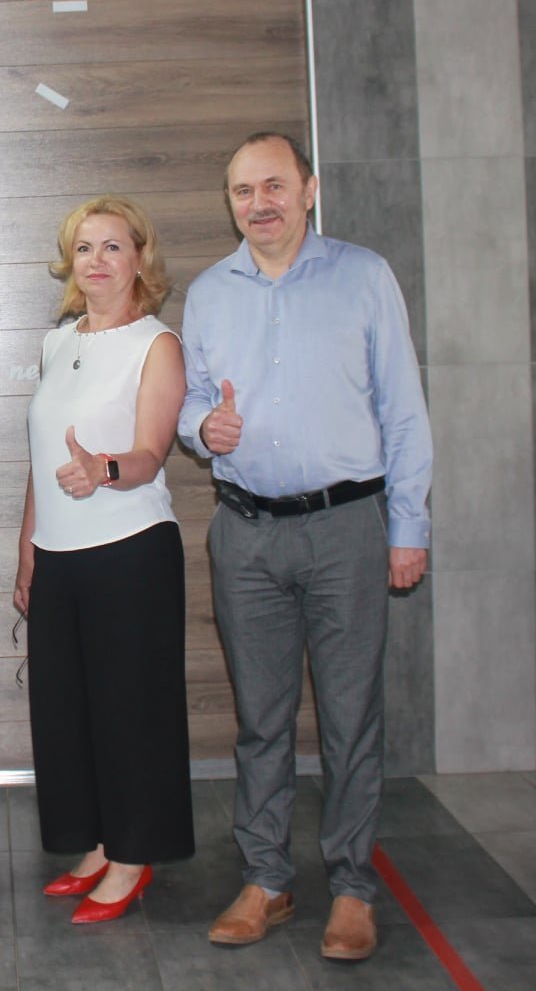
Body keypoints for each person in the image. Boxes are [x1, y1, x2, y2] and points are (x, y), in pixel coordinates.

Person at [178, 132, 431, 963]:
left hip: (345, 527)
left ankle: (353, 888)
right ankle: (267, 879)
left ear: (309, 190)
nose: (260, 204)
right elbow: (192, 406)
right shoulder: (210, 294)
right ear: (230, 203)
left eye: (275, 186)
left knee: (352, 718)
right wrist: (204, 429)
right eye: (244, 191)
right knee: (262, 720)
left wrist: (408, 526)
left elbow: (403, 411)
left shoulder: (364, 276)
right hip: (245, 533)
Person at [15, 195, 194, 925]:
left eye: (112, 247)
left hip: (131, 552)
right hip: (58, 557)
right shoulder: (57, 343)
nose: (96, 261)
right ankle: (94, 845)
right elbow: (41, 460)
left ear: (139, 259)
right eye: (84, 248)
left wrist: (105, 470)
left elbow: (150, 453)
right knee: (68, 712)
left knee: (130, 713)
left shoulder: (158, 344)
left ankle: (132, 856)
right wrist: (27, 552)